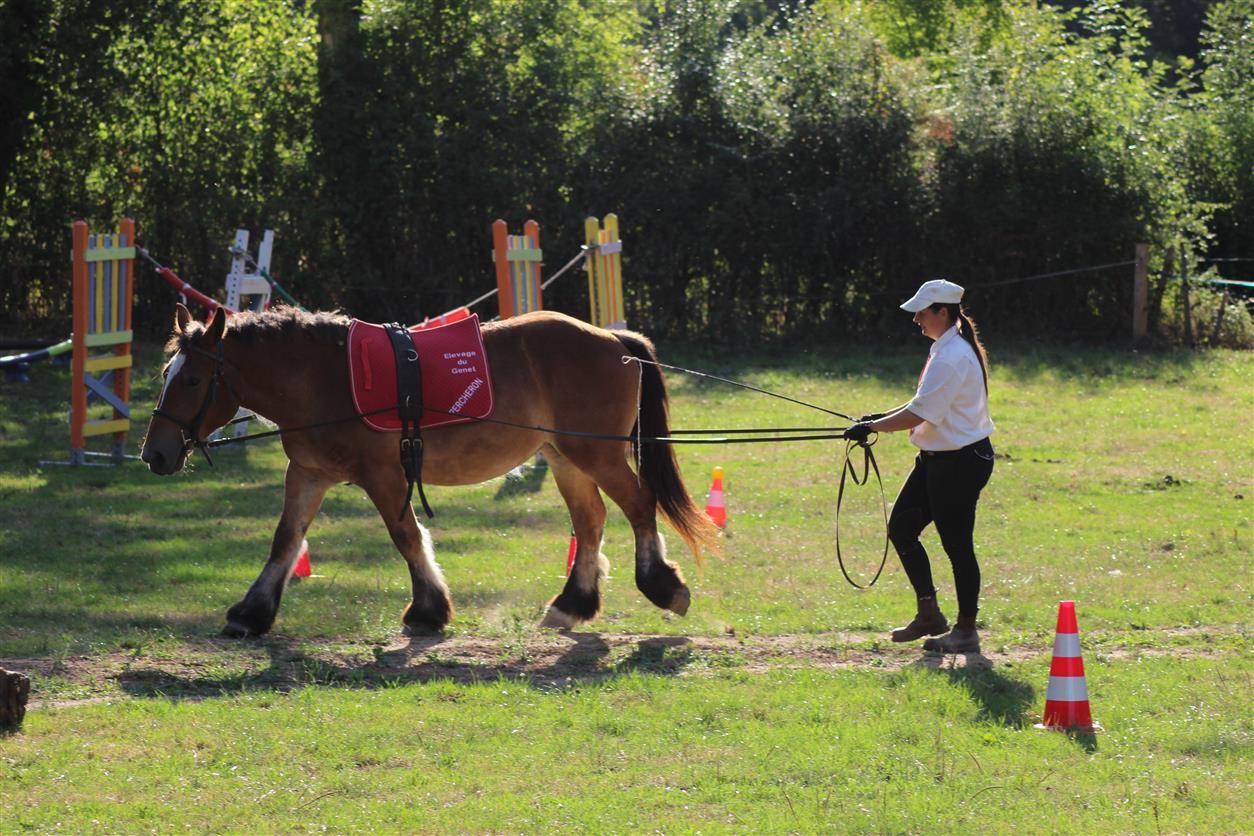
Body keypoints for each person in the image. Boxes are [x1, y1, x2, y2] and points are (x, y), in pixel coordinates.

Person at [844, 279, 995, 653]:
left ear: (942, 312)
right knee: (902, 528)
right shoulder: (944, 348)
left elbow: (919, 413)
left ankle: (966, 631)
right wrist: (877, 419)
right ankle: (929, 614)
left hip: (960, 464)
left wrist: (872, 428)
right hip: (937, 460)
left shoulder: (952, 357)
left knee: (957, 546)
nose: (916, 320)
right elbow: (921, 404)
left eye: (922, 313)